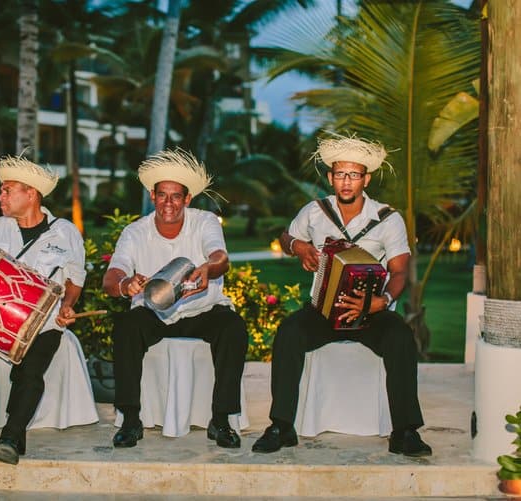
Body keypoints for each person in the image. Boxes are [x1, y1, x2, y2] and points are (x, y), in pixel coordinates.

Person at [251, 135, 432, 457]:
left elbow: (400, 270)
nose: (346, 181)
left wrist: (384, 301)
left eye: (353, 175)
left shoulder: (388, 219)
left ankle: (405, 431)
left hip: (370, 311)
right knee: (289, 333)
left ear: (366, 178)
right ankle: (281, 425)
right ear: (331, 176)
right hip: (322, 310)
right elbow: (286, 237)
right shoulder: (315, 211)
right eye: (339, 174)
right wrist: (299, 246)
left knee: (401, 337)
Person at [102, 149, 248, 449]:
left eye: (176, 196)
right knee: (127, 327)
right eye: (162, 195)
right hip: (154, 314)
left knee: (233, 327)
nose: (169, 203)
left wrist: (209, 267)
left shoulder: (205, 221)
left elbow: (220, 257)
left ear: (187, 199)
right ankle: (131, 419)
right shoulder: (134, 232)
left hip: (201, 309)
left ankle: (220, 420)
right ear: (152, 196)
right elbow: (111, 276)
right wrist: (126, 283)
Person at [0, 155, 86, 465]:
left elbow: (75, 280)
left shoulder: (64, 232)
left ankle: (11, 435)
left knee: (31, 370)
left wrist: (67, 305)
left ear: (31, 193)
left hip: (43, 324)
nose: (0, 197)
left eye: (7, 190)